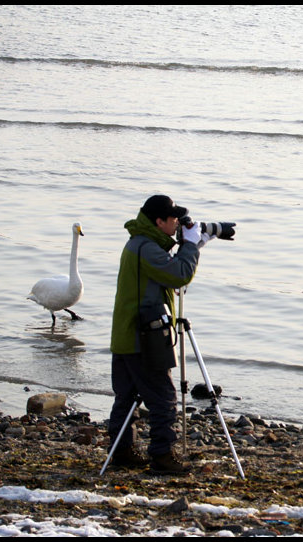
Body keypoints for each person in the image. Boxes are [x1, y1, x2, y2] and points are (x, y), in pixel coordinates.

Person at [106, 194, 234, 473]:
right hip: (145, 338)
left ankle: (122, 451)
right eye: (174, 219)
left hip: (126, 335)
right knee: (163, 398)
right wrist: (190, 245)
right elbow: (179, 276)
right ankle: (162, 457)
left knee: (126, 397)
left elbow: (168, 274)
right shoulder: (147, 249)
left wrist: (195, 243)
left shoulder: (140, 243)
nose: (177, 223)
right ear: (159, 221)